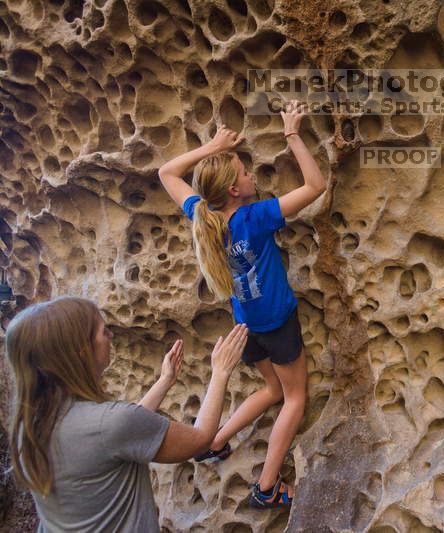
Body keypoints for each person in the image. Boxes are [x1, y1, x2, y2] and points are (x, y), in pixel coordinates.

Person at [157, 99, 326, 509]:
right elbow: (316, 187)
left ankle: (212, 441)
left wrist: (212, 150)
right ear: (236, 189)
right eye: (247, 173)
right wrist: (291, 134)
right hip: (277, 325)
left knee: (271, 388)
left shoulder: (204, 216)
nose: (252, 176)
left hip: (245, 326)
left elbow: (166, 172)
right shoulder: (256, 217)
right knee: (293, 397)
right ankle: (267, 487)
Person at [4, 296, 249, 532]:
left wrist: (164, 381)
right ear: (82, 352)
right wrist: (221, 371)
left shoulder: (32, 424)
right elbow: (200, 439)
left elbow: (118, 435)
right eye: (103, 332)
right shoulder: (109, 424)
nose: (110, 337)